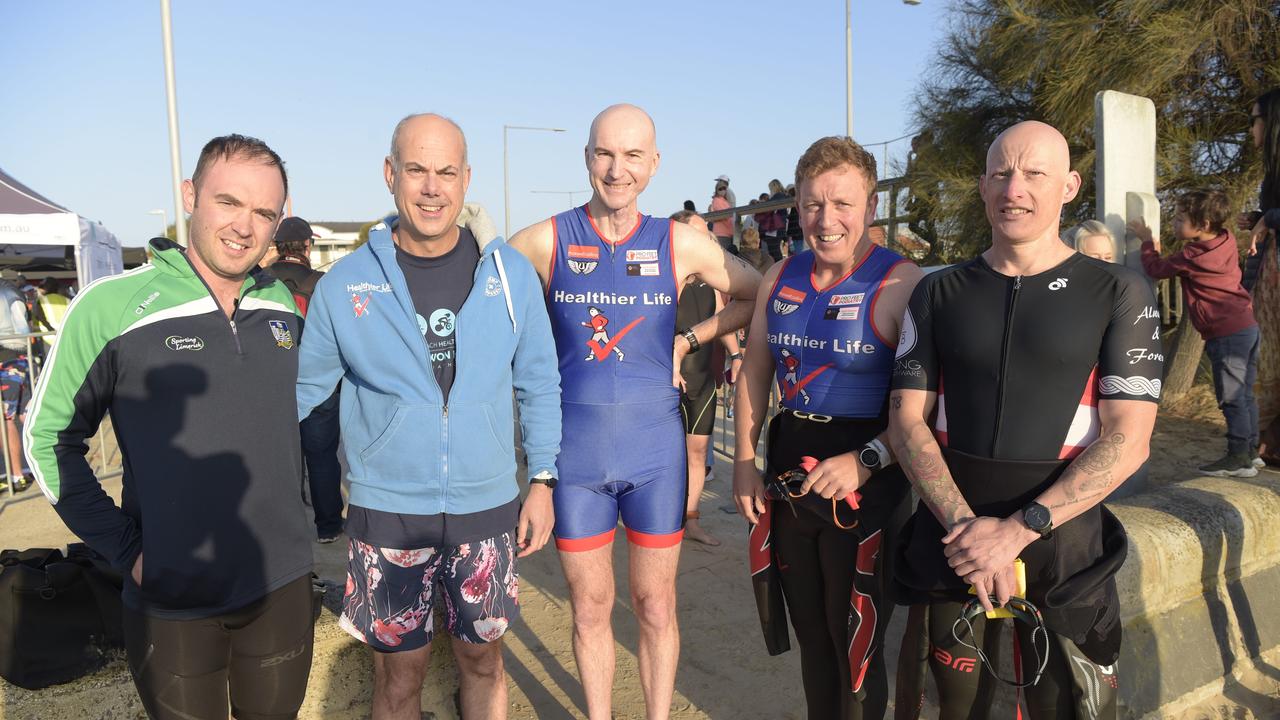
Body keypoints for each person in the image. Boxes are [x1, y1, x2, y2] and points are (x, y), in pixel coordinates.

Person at [25, 134, 315, 720]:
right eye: (228, 202)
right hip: (171, 599)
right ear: (190, 195)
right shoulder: (112, 306)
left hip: (280, 583)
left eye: (264, 212)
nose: (244, 226)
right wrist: (122, 547)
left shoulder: (283, 303)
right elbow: (47, 438)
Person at [889, 121, 1162, 719]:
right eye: (1001, 173)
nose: (1015, 188)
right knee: (957, 710)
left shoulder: (1118, 290)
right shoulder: (938, 292)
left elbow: (1131, 436)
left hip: (1064, 545)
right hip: (955, 537)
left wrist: (1016, 531)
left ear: (1068, 186)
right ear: (983, 186)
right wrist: (969, 532)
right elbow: (907, 422)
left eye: (1034, 173)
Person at [295, 114, 561, 720]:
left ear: (466, 180)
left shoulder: (510, 276)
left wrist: (542, 481)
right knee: (399, 679)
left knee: (484, 662)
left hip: (486, 506)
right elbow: (304, 396)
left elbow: (540, 384)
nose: (432, 187)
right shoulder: (346, 285)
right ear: (391, 175)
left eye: (446, 171)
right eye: (416, 169)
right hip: (386, 512)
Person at [508, 103, 761, 720]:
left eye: (630, 156)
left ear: (653, 164)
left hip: (655, 455)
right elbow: (480, 296)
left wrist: (692, 339)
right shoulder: (545, 239)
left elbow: (764, 288)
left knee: (655, 606)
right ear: (587, 158)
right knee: (591, 609)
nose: (616, 169)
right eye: (603, 154)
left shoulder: (677, 242)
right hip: (577, 457)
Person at [733, 136, 921, 720]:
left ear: (869, 206)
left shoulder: (899, 282)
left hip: (868, 472)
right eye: (813, 204)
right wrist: (743, 460)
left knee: (856, 642)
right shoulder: (779, 277)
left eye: (842, 204)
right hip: (792, 468)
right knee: (812, 634)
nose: (826, 219)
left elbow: (927, 408)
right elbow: (755, 371)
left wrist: (866, 459)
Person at [1135, 190, 1260, 476]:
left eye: (1180, 219)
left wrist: (1145, 242)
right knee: (1245, 394)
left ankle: (1238, 456)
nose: (1174, 224)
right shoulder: (1225, 241)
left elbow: (1155, 268)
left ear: (1202, 225)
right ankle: (1251, 452)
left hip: (1226, 333)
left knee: (1231, 397)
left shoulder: (1192, 257)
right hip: (1247, 326)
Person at [671, 209, 743, 547]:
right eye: (697, 233)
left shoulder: (708, 281)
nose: (705, 240)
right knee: (665, 457)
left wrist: (737, 355)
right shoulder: (661, 277)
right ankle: (659, 521)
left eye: (707, 234)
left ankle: (691, 519)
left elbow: (721, 320)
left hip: (701, 382)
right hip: (666, 382)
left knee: (697, 454)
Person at [269, 216, 344, 542]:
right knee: (322, 458)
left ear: (276, 246)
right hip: (320, 385)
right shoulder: (322, 283)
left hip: (269, 384)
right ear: (308, 246)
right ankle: (327, 527)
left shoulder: (258, 281)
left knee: (274, 459)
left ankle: (280, 529)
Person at [0, 278, 32, 490]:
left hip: (5, 357)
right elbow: (24, 328)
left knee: (6, 419)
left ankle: (16, 476)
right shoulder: (12, 290)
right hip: (22, 357)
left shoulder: (5, 291)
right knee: (26, 415)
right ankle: (47, 468)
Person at [709, 177, 736, 253]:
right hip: (721, 233)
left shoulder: (725, 200)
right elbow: (724, 215)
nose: (722, 190)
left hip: (727, 233)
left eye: (724, 188)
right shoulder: (716, 200)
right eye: (720, 189)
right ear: (716, 190)